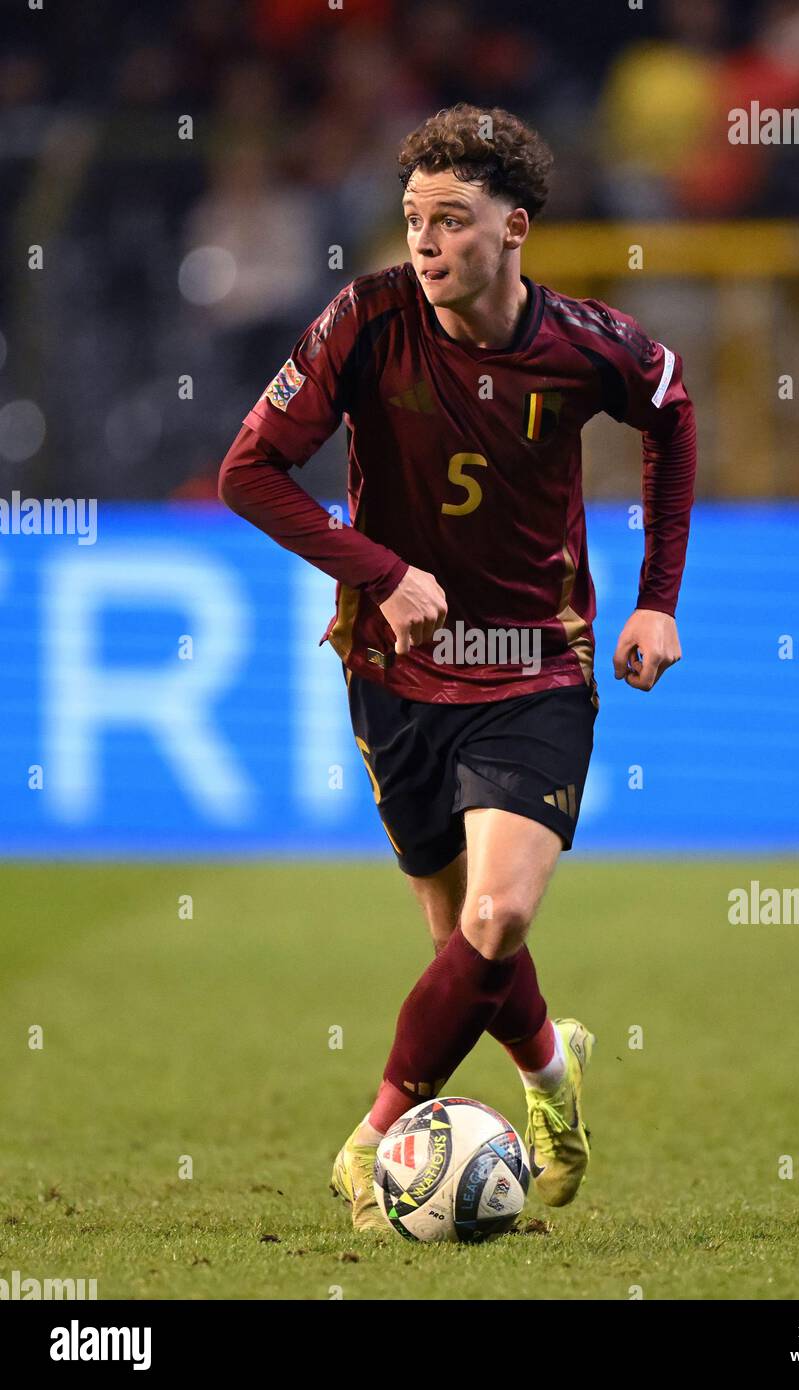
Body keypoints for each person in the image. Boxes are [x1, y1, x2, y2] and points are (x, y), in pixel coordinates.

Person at [218, 102, 696, 1232]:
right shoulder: (366, 321)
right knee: (460, 946)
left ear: (515, 228)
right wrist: (380, 569)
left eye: (451, 221)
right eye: (413, 220)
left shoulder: (589, 345)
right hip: (394, 667)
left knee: (497, 916)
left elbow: (672, 417)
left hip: (534, 663)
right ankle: (549, 1076)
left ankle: (376, 1130)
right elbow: (249, 471)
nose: (425, 243)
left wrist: (657, 601)